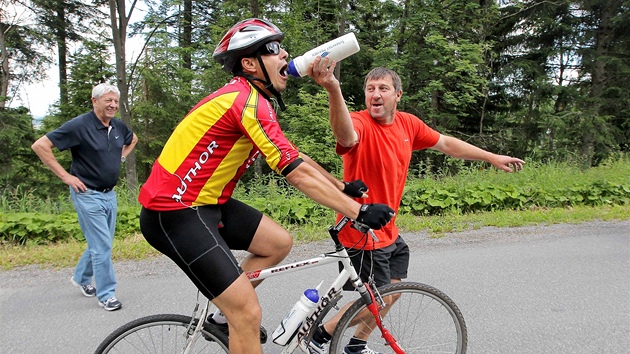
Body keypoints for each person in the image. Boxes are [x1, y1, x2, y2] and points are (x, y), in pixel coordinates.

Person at [136, 18, 395, 354]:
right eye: (273, 49)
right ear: (249, 63)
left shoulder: (255, 100)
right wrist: (357, 210)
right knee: (246, 313)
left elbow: (293, 155)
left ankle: (220, 319)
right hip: (174, 211)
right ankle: (234, 316)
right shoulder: (245, 102)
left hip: (206, 202)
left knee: (277, 243)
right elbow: (295, 174)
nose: (285, 53)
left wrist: (341, 186)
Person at [306, 63, 525, 354]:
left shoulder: (408, 124)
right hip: (363, 230)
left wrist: (491, 157)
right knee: (377, 297)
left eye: (383, 88)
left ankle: (357, 344)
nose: (376, 94)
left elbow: (446, 144)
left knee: (394, 290)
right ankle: (321, 334)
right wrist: (334, 89)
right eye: (370, 89)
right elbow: (345, 136)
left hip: (390, 230)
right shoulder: (358, 121)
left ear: (398, 94)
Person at [31, 83, 138, 312]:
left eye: (116, 101)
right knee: (102, 247)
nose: (113, 105)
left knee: (102, 244)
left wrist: (119, 157)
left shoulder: (117, 126)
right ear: (95, 101)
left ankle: (81, 277)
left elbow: (133, 139)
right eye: (108, 100)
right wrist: (65, 176)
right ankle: (106, 294)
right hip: (87, 194)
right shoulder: (80, 125)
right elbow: (40, 145)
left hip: (109, 195)